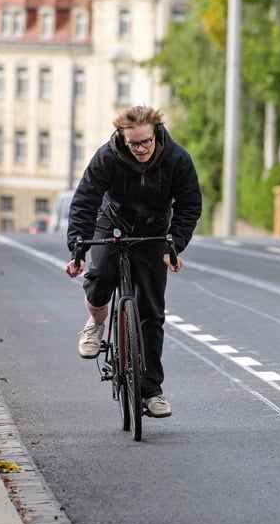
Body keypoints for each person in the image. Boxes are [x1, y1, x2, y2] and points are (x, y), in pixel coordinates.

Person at [64, 105, 202, 418]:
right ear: (122, 138)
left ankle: (151, 391)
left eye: (145, 143)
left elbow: (190, 205)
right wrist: (77, 250)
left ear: (156, 135)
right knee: (99, 276)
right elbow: (84, 201)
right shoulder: (108, 156)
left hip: (153, 231)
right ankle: (96, 323)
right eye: (133, 144)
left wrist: (174, 245)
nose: (140, 149)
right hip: (111, 221)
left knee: (151, 312)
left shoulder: (177, 159)